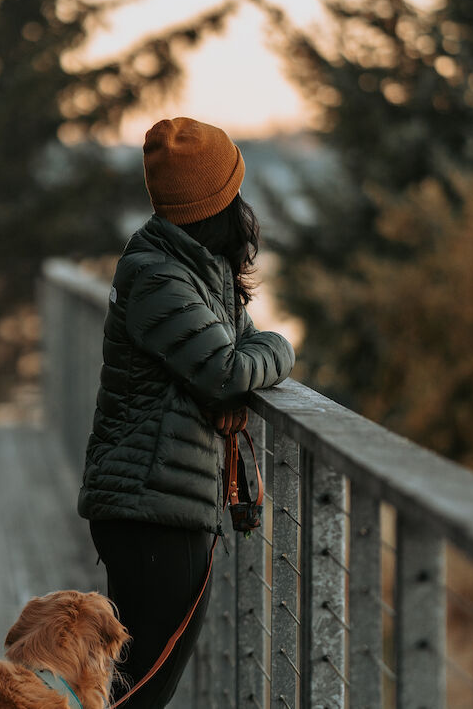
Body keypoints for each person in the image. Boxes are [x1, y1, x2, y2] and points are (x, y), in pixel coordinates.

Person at [77, 117, 295, 708]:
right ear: (222, 200)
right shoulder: (158, 276)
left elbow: (232, 347)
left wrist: (251, 348)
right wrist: (284, 348)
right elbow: (226, 371)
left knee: (132, 689)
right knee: (140, 694)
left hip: (162, 504)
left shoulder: (194, 267)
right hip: (152, 512)